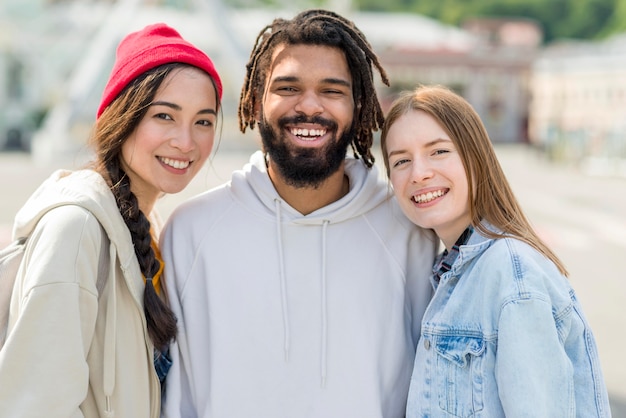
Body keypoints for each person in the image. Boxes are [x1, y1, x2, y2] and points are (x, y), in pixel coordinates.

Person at [160, 9, 438, 418]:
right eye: (288, 87)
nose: (309, 106)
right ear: (256, 101)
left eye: (332, 90)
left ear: (359, 106)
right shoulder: (190, 232)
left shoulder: (408, 229)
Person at [0, 23, 222, 417]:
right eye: (165, 116)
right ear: (122, 118)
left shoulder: (145, 232)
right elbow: (34, 403)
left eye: (203, 121)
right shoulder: (77, 228)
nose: (186, 142)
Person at [380, 84, 611, 417]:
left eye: (439, 151)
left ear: (476, 156)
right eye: (401, 161)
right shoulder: (451, 272)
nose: (419, 173)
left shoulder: (510, 273)